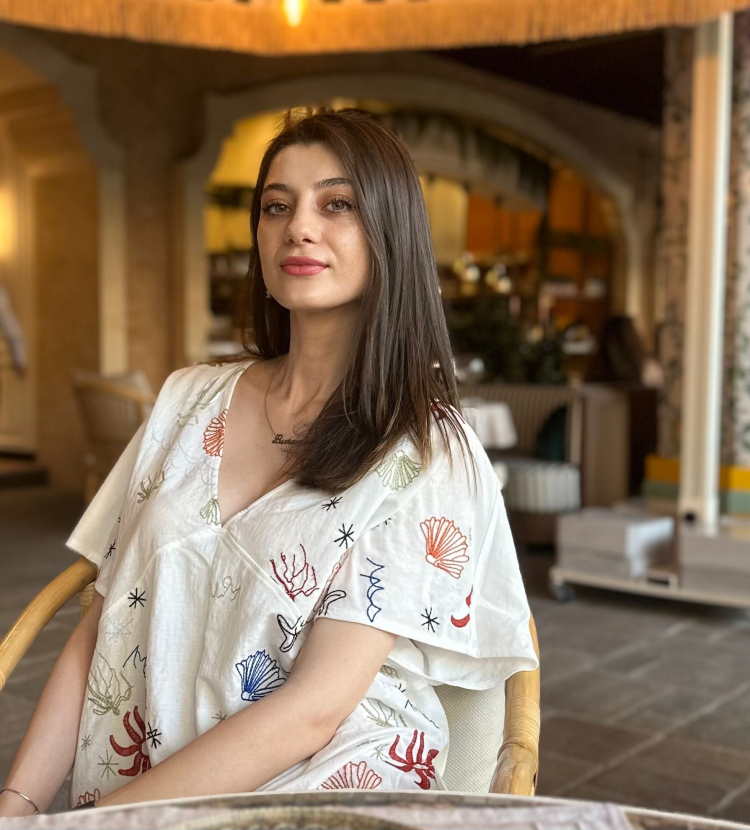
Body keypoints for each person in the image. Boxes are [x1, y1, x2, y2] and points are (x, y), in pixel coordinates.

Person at [0, 108, 538, 816]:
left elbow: (314, 710)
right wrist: (19, 802)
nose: (299, 228)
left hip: (320, 788)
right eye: (276, 206)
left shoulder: (426, 449)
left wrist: (99, 825)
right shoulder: (187, 401)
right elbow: (102, 625)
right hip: (134, 787)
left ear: (392, 231)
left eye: (337, 204)